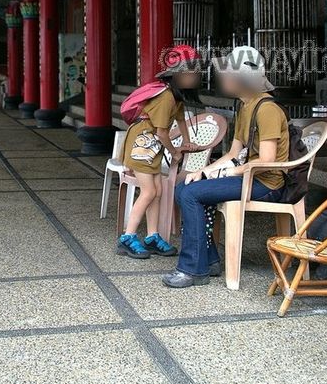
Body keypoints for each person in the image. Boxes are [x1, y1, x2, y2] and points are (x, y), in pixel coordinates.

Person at [162, 45, 290, 288]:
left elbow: (267, 160)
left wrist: (229, 172)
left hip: (266, 183)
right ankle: (208, 260)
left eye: (228, 73)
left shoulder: (267, 109)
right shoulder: (245, 106)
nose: (224, 78)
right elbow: (233, 153)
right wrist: (205, 171)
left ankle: (193, 269)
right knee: (184, 187)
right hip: (249, 177)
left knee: (190, 194)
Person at [116, 44, 202, 260]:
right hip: (141, 146)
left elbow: (181, 120)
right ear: (178, 75)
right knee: (148, 192)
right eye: (191, 72)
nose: (195, 76)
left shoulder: (176, 97)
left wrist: (188, 143)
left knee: (157, 191)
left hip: (150, 147)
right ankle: (127, 237)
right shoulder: (166, 98)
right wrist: (175, 152)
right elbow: (163, 133)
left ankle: (152, 236)